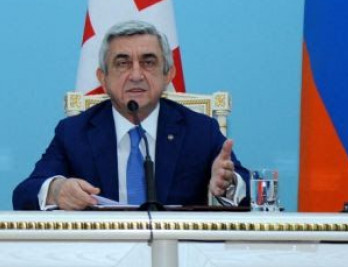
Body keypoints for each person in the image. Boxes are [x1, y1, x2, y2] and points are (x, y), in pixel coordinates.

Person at [13, 20, 249, 210]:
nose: (136, 75)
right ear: (103, 79)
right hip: (101, 250)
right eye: (122, 63)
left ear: (168, 75)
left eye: (148, 62)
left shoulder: (199, 130)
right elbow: (25, 193)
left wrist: (228, 183)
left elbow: (245, 185)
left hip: (177, 249)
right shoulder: (75, 132)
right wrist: (57, 190)